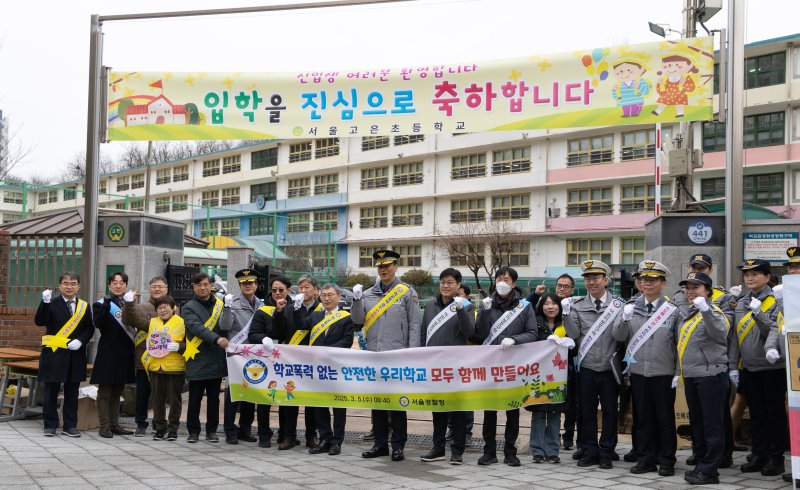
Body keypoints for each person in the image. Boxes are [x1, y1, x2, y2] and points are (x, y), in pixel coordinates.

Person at [475, 267, 564, 467]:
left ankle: (510, 451)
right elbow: (478, 333)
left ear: (513, 283)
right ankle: (489, 451)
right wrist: (484, 312)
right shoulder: (487, 304)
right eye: (499, 278)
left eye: (506, 279)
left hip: (514, 365)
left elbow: (532, 333)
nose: (501, 282)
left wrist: (515, 339)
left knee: (512, 410)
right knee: (489, 409)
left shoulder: (524, 306)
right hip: (491, 364)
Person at [351, 249, 421, 462]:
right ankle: (380, 444)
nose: (383, 269)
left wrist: (412, 354)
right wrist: (356, 300)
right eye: (380, 266)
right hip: (375, 355)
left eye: (387, 265)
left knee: (398, 403)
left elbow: (414, 325)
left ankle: (398, 445)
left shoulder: (407, 292)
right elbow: (357, 321)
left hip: (398, 356)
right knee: (378, 402)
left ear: (395, 267)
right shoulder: (368, 294)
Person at [612, 261, 680, 477]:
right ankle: (645, 459)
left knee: (665, 418)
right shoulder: (630, 307)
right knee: (643, 418)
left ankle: (666, 460)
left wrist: (678, 372)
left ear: (663, 283)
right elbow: (619, 337)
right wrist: (624, 319)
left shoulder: (672, 310)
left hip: (664, 373)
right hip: (639, 372)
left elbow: (679, 344)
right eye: (642, 279)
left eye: (652, 279)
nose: (646, 283)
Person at [671, 253, 738, 468]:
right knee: (697, 420)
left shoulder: (715, 307)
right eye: (687, 287)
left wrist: (706, 310)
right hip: (692, 373)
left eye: (696, 287)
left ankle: (711, 466)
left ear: (707, 290)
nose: (690, 291)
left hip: (712, 373)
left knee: (713, 422)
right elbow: (681, 343)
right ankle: (701, 458)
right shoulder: (687, 309)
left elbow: (721, 333)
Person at [279, 283, 354, 456]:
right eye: (324, 295)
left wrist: (326, 352)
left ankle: (337, 441)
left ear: (339, 297)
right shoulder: (316, 315)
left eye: (330, 295)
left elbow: (347, 341)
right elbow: (301, 325)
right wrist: (297, 309)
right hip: (318, 368)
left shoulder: (345, 317)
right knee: (320, 405)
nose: (326, 298)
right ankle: (325, 439)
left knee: (338, 406)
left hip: (336, 367)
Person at [563, 260, 622, 469]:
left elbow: (622, 337)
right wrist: (566, 315)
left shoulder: (618, 306)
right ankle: (589, 450)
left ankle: (606, 451)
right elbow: (573, 334)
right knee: (587, 411)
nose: (591, 282)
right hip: (586, 367)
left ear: (606, 280)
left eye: (596, 277)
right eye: (587, 278)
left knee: (610, 411)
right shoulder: (577, 305)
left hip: (609, 369)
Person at [731, 259, 786, 477]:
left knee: (774, 414)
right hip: (749, 367)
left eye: (755, 274)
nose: (750, 278)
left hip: (772, 367)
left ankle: (776, 458)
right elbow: (736, 337)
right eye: (747, 275)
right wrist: (733, 366)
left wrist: (758, 313)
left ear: (767, 277)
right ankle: (759, 454)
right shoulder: (742, 302)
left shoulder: (775, 300)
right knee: (756, 413)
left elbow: (772, 331)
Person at [420, 268, 475, 465]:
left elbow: (469, 331)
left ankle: (457, 450)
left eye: (450, 282)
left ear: (458, 285)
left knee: (458, 410)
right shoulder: (430, 305)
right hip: (434, 365)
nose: (445, 285)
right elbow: (424, 333)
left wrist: (459, 309)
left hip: (455, 366)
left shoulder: (466, 306)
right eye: (443, 281)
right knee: (438, 408)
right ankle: (438, 448)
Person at [35, 272, 94, 437]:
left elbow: (89, 327)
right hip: (54, 353)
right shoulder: (51, 303)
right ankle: (50, 425)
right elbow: (40, 321)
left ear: (78, 286)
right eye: (66, 283)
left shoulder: (84, 306)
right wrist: (44, 303)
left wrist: (81, 341)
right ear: (60, 286)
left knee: (72, 391)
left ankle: (70, 425)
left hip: (75, 354)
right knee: (51, 390)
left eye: (73, 283)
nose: (69, 287)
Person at [182, 272, 228, 443]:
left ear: (211, 286)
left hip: (216, 359)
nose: (202, 288)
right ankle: (193, 431)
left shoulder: (220, 305)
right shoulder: (188, 307)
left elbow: (226, 326)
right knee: (194, 398)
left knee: (214, 400)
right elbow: (197, 328)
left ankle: (211, 431)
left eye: (205, 284)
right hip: (198, 359)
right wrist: (216, 339)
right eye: (198, 285)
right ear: (193, 287)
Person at [122, 276, 170, 437]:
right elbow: (129, 319)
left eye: (160, 286)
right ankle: (141, 423)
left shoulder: (173, 307)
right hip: (144, 358)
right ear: (149, 289)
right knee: (142, 394)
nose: (157, 289)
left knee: (160, 395)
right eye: (154, 286)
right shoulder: (141, 307)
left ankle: (159, 423)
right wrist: (129, 304)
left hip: (165, 359)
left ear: (166, 289)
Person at [220, 269, 263, 445]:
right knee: (234, 393)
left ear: (256, 285)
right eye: (244, 283)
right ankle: (230, 430)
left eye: (251, 282)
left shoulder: (262, 304)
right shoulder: (233, 303)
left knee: (250, 394)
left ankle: (245, 429)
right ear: (239, 285)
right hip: (236, 355)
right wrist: (227, 308)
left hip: (255, 354)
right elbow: (224, 326)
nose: (248, 286)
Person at [91, 272, 136, 438]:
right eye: (115, 282)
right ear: (109, 285)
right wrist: (106, 305)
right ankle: (104, 426)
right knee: (105, 391)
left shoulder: (129, 303)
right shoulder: (101, 304)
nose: (118, 285)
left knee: (118, 390)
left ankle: (115, 424)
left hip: (125, 352)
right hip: (108, 352)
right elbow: (98, 323)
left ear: (126, 285)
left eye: (122, 282)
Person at [248, 276, 290, 448]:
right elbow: (253, 334)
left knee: (286, 398)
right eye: (274, 290)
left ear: (288, 290)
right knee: (265, 398)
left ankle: (285, 434)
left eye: (281, 290)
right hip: (267, 359)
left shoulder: (294, 308)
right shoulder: (263, 311)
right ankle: (264, 434)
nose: (277, 293)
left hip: (288, 359)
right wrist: (263, 338)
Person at [528, 293, 567, 464]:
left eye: (554, 303)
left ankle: (552, 451)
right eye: (546, 303)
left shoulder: (565, 323)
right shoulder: (535, 322)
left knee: (555, 414)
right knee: (538, 413)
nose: (550, 307)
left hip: (559, 375)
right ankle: (537, 450)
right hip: (539, 375)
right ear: (541, 306)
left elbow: (575, 343)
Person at [141, 295, 185, 442]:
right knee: (157, 399)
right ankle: (160, 427)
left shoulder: (181, 322)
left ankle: (173, 429)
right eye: (159, 308)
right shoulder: (153, 322)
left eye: (166, 307)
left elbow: (189, 344)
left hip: (174, 367)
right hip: (156, 366)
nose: (163, 310)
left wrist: (178, 347)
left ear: (173, 308)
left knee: (174, 400)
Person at [287, 274, 322, 449]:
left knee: (311, 401)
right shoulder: (291, 308)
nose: (303, 290)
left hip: (313, 360)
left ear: (316, 290)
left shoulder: (322, 310)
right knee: (290, 398)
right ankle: (289, 436)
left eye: (307, 287)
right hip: (292, 360)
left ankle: (311, 436)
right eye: (300, 287)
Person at [779, 246, 799, 485]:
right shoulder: (788, 294)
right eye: (791, 267)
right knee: (794, 413)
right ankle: (797, 466)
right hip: (794, 367)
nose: (793, 271)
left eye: (797, 267)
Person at [446, 284, 475, 444]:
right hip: (450, 360)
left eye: (461, 294)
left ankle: (467, 431)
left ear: (466, 296)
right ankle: (451, 429)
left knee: (465, 398)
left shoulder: (471, 309)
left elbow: (472, 332)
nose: (457, 297)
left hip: (467, 360)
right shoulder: (447, 310)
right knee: (450, 396)